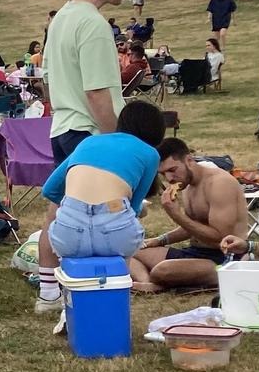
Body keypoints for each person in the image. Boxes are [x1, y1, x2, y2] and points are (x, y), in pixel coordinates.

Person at [32, 100, 167, 311]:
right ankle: (115, 298)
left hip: (68, 231)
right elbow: (133, 207)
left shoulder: (87, 143)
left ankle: (62, 301)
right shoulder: (150, 154)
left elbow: (49, 190)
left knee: (79, 244)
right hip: (115, 230)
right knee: (125, 246)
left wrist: (78, 206)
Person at [43, 0, 137, 166]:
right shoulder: (94, 24)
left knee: (67, 201)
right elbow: (97, 93)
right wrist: (116, 144)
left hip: (61, 130)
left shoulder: (60, 18)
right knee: (108, 201)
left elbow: (46, 80)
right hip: (89, 134)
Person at [129, 139, 247, 292]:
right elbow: (193, 226)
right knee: (130, 250)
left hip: (222, 257)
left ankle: (158, 281)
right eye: (163, 173)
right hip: (195, 253)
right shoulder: (187, 184)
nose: (169, 178)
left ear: (189, 160)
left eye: (173, 170)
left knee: (162, 270)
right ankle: (149, 284)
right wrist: (159, 240)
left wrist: (176, 215)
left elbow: (221, 237)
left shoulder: (219, 183)